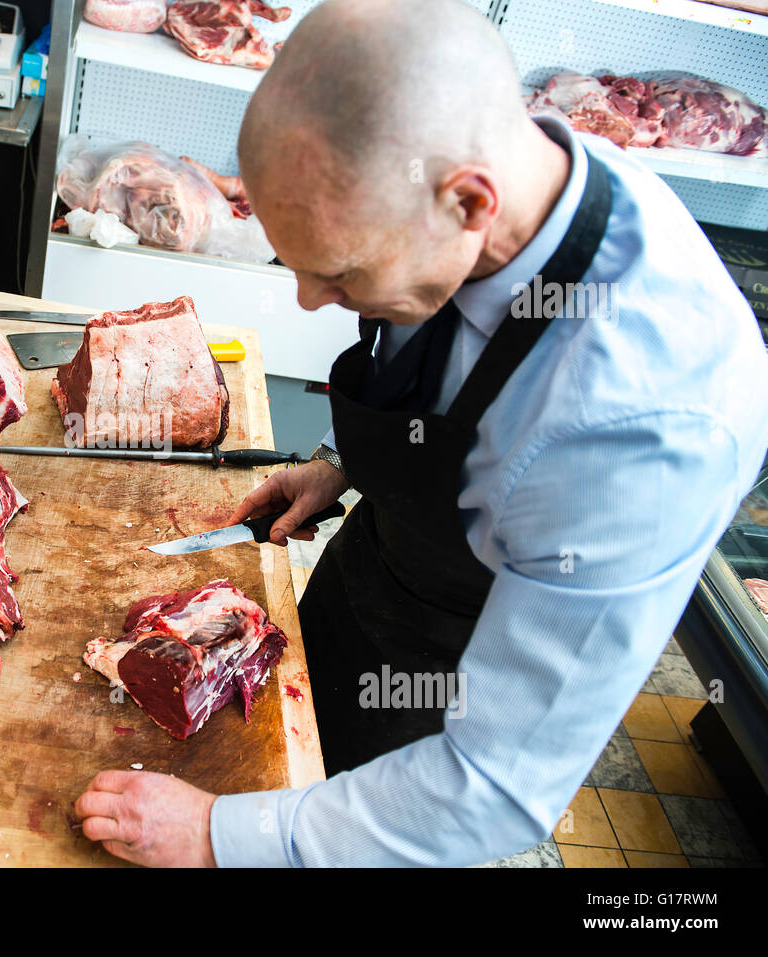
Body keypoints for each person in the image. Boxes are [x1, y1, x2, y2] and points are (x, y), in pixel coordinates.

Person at [73, 0, 768, 867]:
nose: (309, 302)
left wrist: (217, 835)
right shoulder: (495, 180)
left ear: (470, 202)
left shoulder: (639, 428)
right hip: (367, 580)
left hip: (443, 709)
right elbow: (442, 372)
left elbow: (495, 786)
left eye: (342, 275)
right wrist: (344, 460)